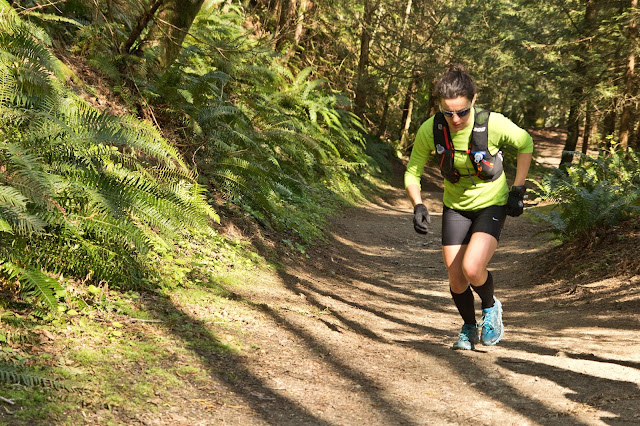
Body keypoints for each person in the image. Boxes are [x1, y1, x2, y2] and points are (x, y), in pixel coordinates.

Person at [404, 64, 533, 350]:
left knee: (473, 268)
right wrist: (418, 204)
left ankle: (490, 307)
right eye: (448, 112)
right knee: (456, 276)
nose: (455, 118)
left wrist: (518, 189)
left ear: (473, 100)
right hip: (456, 206)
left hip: (492, 203)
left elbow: (526, 143)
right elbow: (412, 171)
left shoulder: (493, 123)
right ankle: (468, 328)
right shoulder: (432, 129)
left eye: (462, 111)